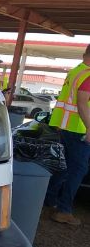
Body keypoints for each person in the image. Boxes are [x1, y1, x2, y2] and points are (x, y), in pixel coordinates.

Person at [44, 44, 90, 225]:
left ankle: (50, 199)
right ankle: (64, 210)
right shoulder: (88, 75)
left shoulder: (76, 71)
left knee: (64, 166)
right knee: (78, 169)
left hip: (65, 126)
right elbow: (82, 103)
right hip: (79, 129)